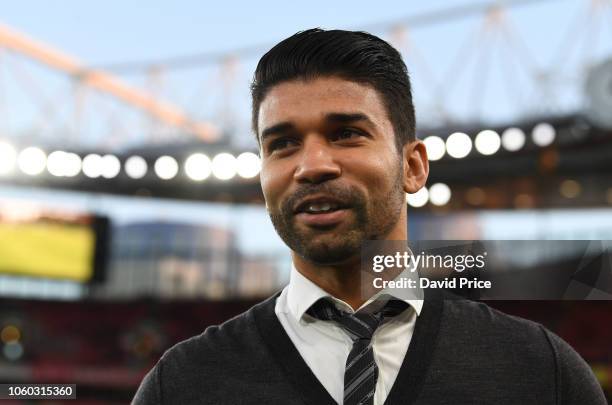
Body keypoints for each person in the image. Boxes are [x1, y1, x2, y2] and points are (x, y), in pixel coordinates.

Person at [133, 29, 606, 405]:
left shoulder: (542, 371)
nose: (312, 165)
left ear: (414, 166)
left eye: (346, 134)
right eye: (282, 143)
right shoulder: (180, 384)